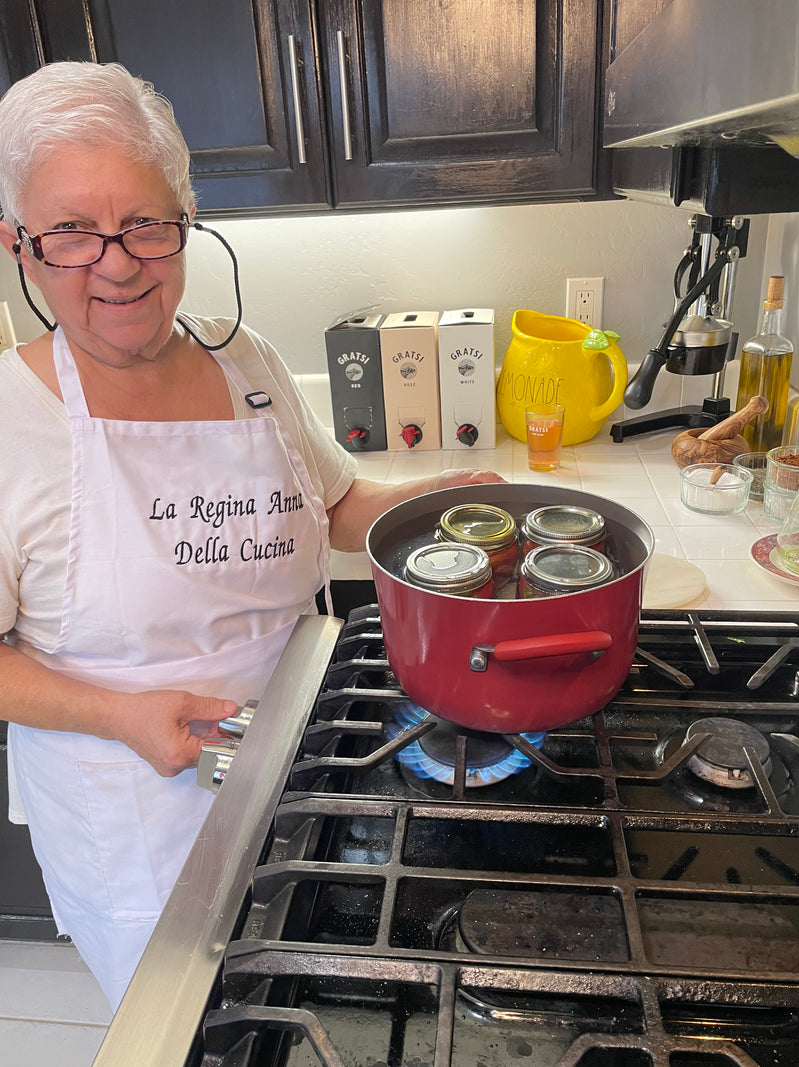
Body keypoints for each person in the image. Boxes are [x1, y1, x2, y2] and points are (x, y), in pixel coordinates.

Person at [0, 61, 503, 1011]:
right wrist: (121, 716)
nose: (117, 262)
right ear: (21, 248)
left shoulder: (246, 359)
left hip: (308, 769)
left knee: (314, 1007)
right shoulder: (7, 422)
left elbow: (337, 504)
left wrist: (442, 499)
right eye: (71, 231)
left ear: (186, 219)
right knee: (204, 1029)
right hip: (141, 820)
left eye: (146, 222)